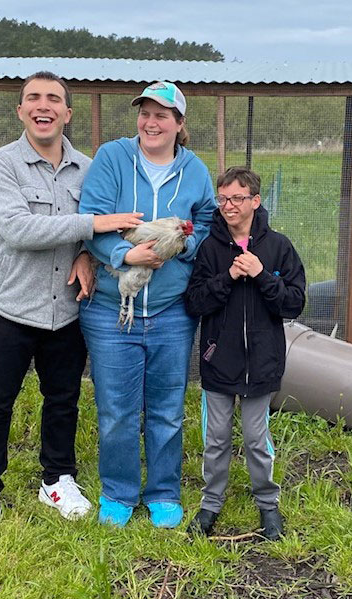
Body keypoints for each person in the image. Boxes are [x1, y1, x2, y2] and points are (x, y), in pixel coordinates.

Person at [0, 71, 143, 526]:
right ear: (21, 110)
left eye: (53, 99)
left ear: (68, 112)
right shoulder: (1, 164)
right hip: (10, 305)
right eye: (32, 99)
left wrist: (86, 253)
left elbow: (101, 231)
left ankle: (57, 481)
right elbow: (20, 229)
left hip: (66, 308)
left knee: (62, 398)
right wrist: (92, 228)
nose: (42, 106)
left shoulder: (88, 169)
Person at [78, 81, 216, 528]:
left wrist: (181, 248)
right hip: (109, 307)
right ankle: (118, 492)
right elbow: (92, 217)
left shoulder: (194, 170)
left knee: (166, 407)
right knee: (116, 408)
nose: (151, 122)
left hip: (171, 310)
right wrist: (123, 255)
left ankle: (163, 492)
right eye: (145, 113)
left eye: (162, 115)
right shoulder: (113, 158)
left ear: (179, 124)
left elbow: (209, 221)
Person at [184, 166, 305, 540]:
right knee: (217, 437)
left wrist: (261, 274)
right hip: (219, 362)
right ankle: (210, 505)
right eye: (222, 199)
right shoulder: (210, 248)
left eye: (237, 198)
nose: (228, 206)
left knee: (256, 438)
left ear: (255, 200)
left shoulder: (278, 247)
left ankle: (268, 506)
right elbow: (195, 301)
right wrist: (229, 277)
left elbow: (294, 303)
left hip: (263, 364)